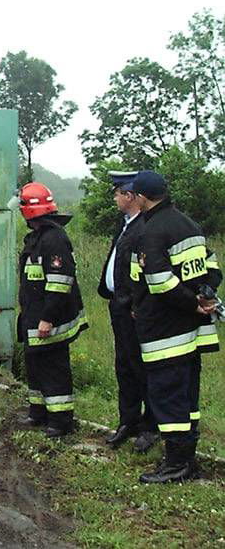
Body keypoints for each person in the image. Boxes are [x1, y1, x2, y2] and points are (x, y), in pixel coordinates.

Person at [129, 171, 221, 483]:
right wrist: (207, 294)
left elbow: (159, 282)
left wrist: (193, 302)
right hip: (193, 331)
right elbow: (212, 265)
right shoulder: (189, 224)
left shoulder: (151, 231)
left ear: (142, 197)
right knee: (187, 396)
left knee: (167, 395)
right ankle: (187, 457)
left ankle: (176, 465)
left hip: (166, 333)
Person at [16, 182, 88, 438]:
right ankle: (39, 413)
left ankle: (60, 420)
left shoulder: (54, 239)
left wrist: (48, 319)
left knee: (53, 367)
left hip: (50, 317)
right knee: (35, 364)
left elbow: (60, 284)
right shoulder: (37, 237)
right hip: (34, 314)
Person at [96, 171, 157, 452]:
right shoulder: (124, 225)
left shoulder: (144, 228)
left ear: (130, 196)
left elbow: (146, 273)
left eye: (118, 193)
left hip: (135, 311)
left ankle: (149, 426)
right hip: (118, 307)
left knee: (142, 367)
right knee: (124, 366)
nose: (115, 198)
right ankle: (128, 420)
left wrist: (136, 305)